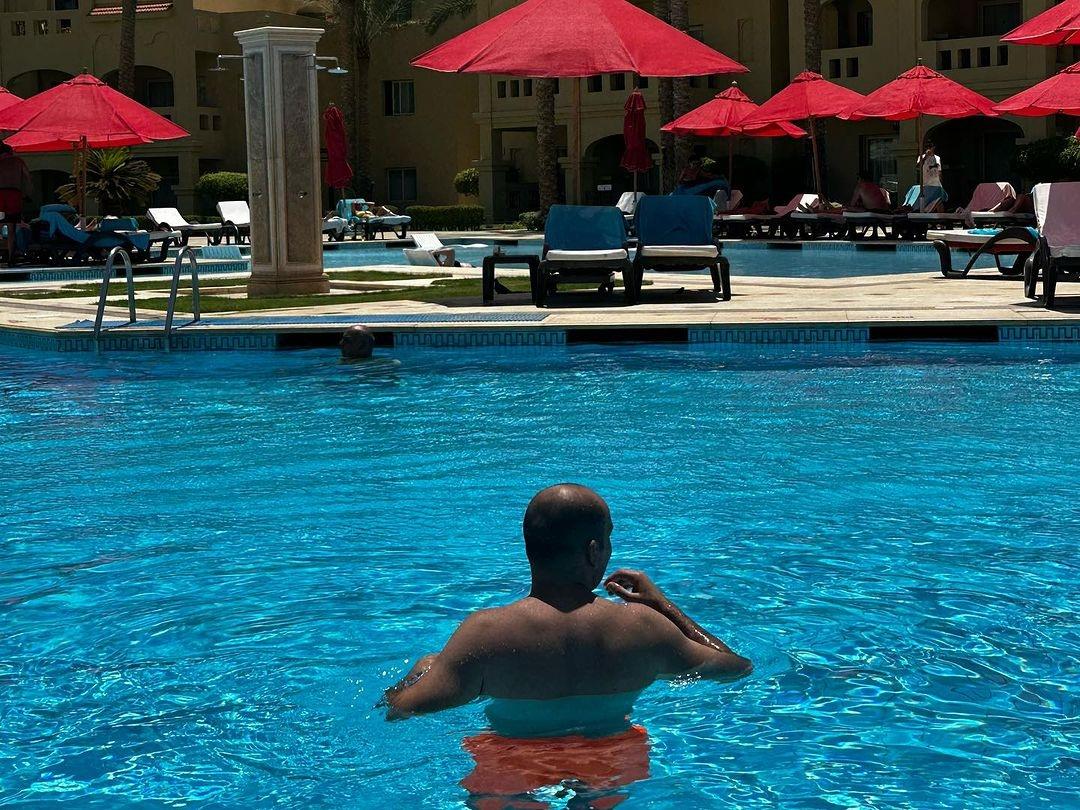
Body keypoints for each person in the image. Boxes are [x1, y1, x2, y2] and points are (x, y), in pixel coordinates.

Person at [384, 484, 750, 801]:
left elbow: (401, 709)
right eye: (608, 539)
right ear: (593, 551)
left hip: (512, 756)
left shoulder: (485, 634)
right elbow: (735, 667)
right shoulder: (643, 627)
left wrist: (425, 668)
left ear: (529, 547)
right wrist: (663, 606)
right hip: (610, 754)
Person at [917, 141, 946, 212]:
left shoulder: (937, 158)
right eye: (926, 147)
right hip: (926, 183)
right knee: (928, 201)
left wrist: (941, 183)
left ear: (933, 147)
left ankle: (941, 216)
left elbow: (939, 171)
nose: (928, 148)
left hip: (936, 183)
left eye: (930, 147)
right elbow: (918, 166)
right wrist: (925, 157)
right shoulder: (921, 157)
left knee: (938, 201)